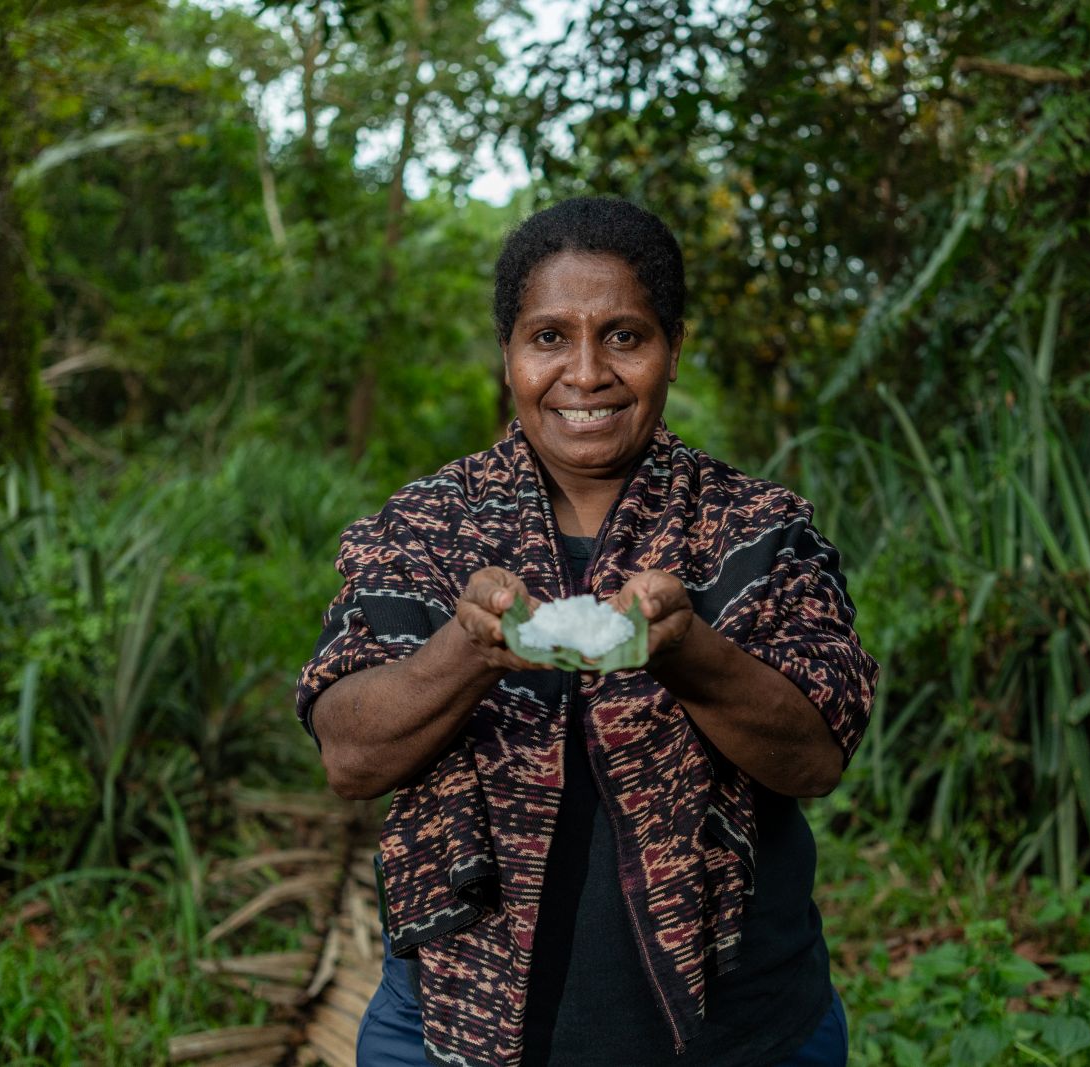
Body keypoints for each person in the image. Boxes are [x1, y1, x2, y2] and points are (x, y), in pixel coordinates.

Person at [297, 197, 878, 1067]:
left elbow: (815, 758)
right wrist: (467, 651)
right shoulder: (425, 526)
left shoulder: (757, 528)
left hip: (739, 1035)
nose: (586, 372)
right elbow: (349, 755)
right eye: (548, 338)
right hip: (450, 1031)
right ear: (508, 355)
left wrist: (691, 653)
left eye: (624, 336)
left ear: (673, 346)